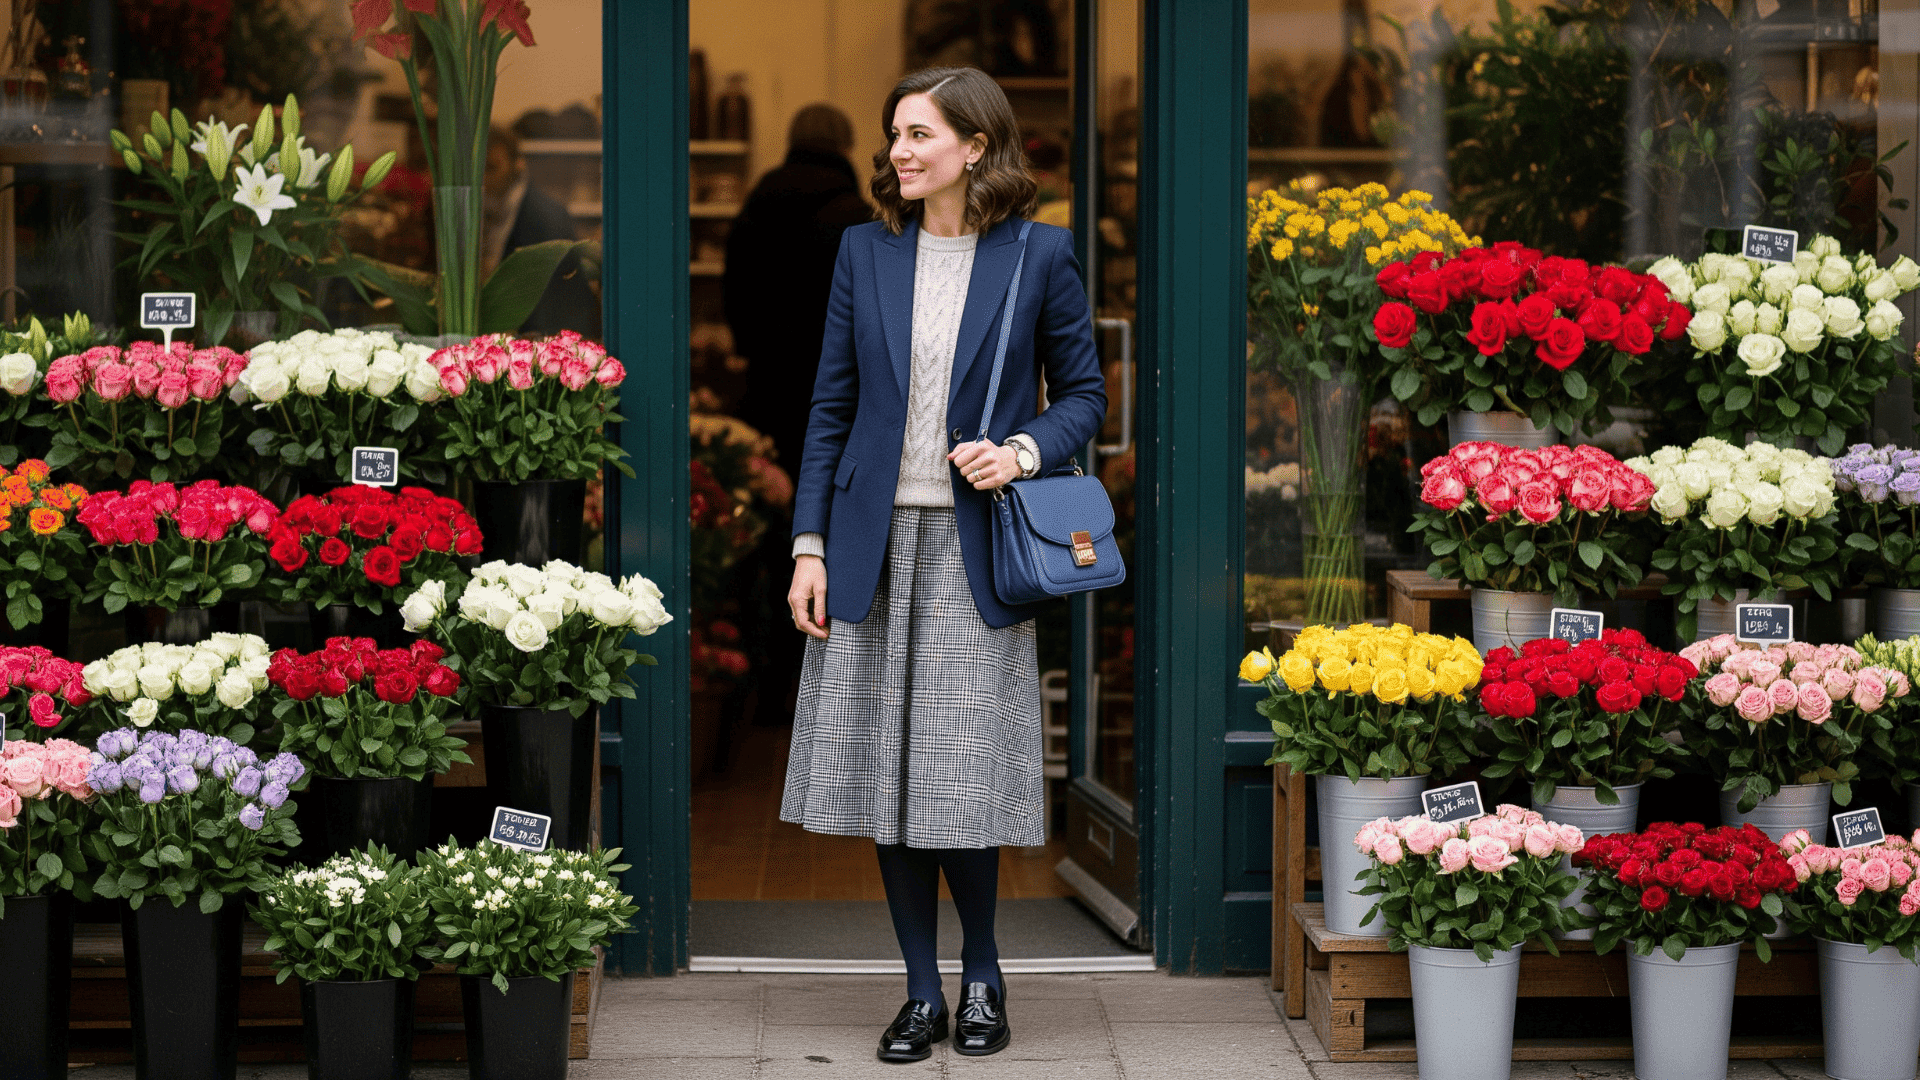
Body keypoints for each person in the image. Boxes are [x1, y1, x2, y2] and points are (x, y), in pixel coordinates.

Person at [782, 67, 1106, 1063]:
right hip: (874, 547)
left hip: (977, 550)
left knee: (960, 783)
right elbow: (832, 407)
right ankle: (921, 990)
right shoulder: (863, 253)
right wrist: (809, 545)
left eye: (919, 134)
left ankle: (983, 972)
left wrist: (1020, 452)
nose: (899, 152)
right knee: (889, 780)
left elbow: (1084, 398)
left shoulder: (1040, 257)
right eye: (893, 136)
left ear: (975, 145)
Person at [725, 104, 873, 472]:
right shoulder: (857, 216)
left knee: (771, 484)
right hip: (835, 380)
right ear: (845, 148)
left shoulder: (756, 205)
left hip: (768, 375)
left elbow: (735, 283)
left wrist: (747, 344)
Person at [481, 127, 601, 338]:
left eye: (492, 168)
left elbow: (551, 298)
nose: (486, 179)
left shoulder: (542, 216)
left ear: (516, 165)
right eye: (481, 169)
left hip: (549, 339)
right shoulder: (503, 208)